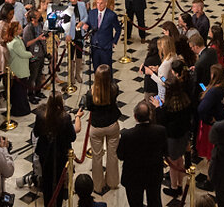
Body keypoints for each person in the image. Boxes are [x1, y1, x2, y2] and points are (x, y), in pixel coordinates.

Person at [117, 100, 168, 207]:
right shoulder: (160, 131)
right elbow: (165, 151)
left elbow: (120, 155)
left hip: (133, 176)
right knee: (154, 201)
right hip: (153, 174)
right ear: (150, 115)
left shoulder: (127, 135)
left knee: (135, 203)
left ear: (135, 117)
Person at [34, 94, 81, 207]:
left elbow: (36, 133)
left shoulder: (40, 115)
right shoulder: (65, 118)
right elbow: (72, 137)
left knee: (47, 181)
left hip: (44, 153)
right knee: (59, 183)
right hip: (60, 154)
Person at [83, 64, 123, 195]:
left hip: (96, 127)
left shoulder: (91, 93)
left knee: (97, 156)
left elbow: (89, 107)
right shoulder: (114, 89)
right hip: (112, 125)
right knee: (113, 155)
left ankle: (98, 185)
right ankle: (112, 182)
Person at [157, 74, 193, 201]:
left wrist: (158, 107)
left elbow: (162, 122)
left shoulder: (167, 107)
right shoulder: (186, 101)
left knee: (173, 163)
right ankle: (179, 184)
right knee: (180, 159)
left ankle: (174, 188)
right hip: (183, 134)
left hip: (172, 137)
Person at [196, 64, 224, 191]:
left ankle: (210, 181)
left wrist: (209, 119)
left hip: (212, 127)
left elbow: (202, 108)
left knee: (211, 154)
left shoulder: (214, 91)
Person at [83, 0, 120, 70]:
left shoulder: (111, 15)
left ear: (106, 3)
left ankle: (109, 82)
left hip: (106, 47)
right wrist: (86, 26)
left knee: (107, 69)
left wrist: (114, 42)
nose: (99, 5)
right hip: (94, 46)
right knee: (96, 68)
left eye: (101, 3)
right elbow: (89, 24)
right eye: (97, 3)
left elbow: (118, 29)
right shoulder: (92, 13)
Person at [5, 21, 32, 117]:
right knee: (20, 91)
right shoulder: (15, 42)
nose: (21, 30)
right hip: (19, 68)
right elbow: (22, 53)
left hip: (20, 66)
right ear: (15, 31)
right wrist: (30, 54)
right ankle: (19, 110)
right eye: (20, 28)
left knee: (21, 90)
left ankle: (22, 108)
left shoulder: (16, 39)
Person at [24, 7, 48, 102]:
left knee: (39, 75)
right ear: (33, 18)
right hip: (33, 54)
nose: (40, 17)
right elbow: (26, 43)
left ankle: (38, 91)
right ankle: (31, 94)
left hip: (41, 53)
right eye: (38, 16)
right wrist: (37, 39)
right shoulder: (28, 28)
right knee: (32, 76)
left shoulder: (41, 25)